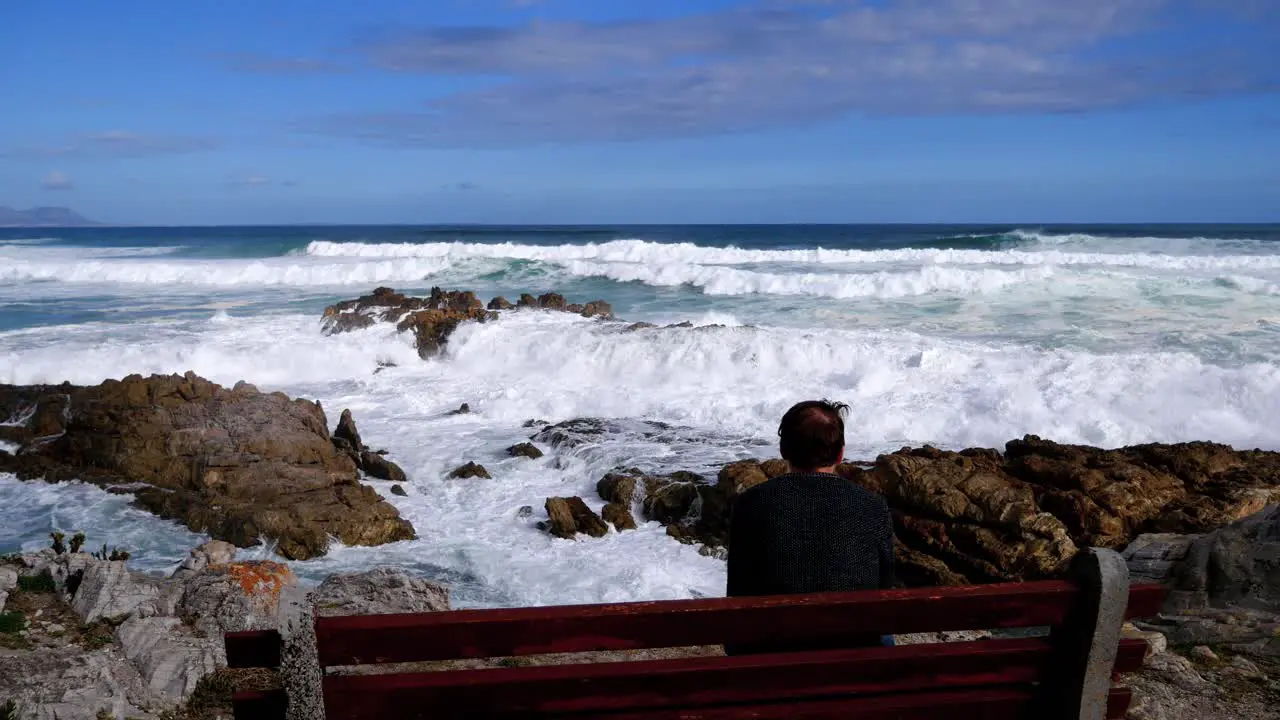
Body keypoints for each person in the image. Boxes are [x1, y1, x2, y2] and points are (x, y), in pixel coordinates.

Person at [725, 399, 895, 652]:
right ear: (840, 453)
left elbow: (738, 593)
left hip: (770, 663)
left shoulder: (751, 504)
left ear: (783, 451)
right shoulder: (873, 507)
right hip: (856, 661)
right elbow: (884, 588)